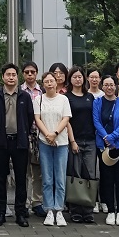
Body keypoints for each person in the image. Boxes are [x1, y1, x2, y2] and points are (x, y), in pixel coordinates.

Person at [0, 62, 33, 227]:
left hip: (19, 142)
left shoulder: (25, 97)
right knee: (0, 178)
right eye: (8, 74)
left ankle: (20, 213)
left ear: (17, 77)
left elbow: (29, 118)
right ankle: (0, 212)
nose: (11, 77)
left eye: (14, 75)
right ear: (2, 77)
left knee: (21, 178)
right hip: (1, 142)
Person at [34, 71, 72, 227]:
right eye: (46, 81)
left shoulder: (63, 99)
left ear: (56, 83)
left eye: (52, 81)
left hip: (61, 142)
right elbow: (37, 119)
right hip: (44, 142)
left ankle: (59, 210)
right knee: (47, 178)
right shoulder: (38, 99)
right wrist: (48, 135)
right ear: (43, 84)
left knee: (60, 177)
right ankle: (49, 209)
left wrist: (55, 134)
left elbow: (66, 118)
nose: (49, 83)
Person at [93, 75, 119, 226]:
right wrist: (105, 137)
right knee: (106, 178)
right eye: (106, 85)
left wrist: (112, 137)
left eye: (111, 85)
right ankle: (110, 211)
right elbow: (96, 121)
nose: (109, 87)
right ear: (102, 86)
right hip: (103, 146)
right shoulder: (97, 102)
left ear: (116, 86)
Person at [64, 66, 95, 223]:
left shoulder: (90, 97)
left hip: (90, 141)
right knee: (75, 175)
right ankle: (75, 210)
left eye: (80, 76)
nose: (78, 79)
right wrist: (72, 141)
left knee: (89, 174)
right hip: (74, 141)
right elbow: (67, 121)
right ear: (70, 79)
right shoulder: (66, 98)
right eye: (75, 77)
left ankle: (88, 210)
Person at [20, 60, 46, 219]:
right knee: (23, 171)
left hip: (39, 135)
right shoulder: (18, 91)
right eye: (27, 72)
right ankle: (23, 203)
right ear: (23, 74)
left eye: (33, 72)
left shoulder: (43, 91)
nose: (30, 75)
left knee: (38, 172)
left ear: (36, 73)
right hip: (23, 135)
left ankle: (37, 202)